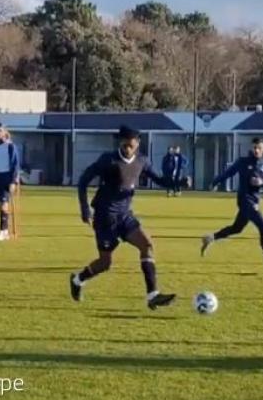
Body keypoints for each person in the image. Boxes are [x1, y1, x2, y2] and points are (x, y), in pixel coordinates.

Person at [70, 125, 189, 310]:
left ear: (137, 143)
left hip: (125, 216)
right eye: (123, 142)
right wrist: (85, 208)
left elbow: (159, 180)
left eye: (130, 142)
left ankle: (152, 295)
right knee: (105, 263)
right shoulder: (108, 160)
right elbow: (84, 180)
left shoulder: (142, 161)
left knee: (147, 245)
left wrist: (178, 183)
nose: (126, 146)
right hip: (105, 218)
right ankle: (78, 280)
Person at [200, 138, 263, 272]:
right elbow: (228, 173)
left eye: (259, 148)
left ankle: (210, 237)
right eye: (254, 147)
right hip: (244, 200)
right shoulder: (243, 162)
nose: (256, 150)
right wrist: (215, 182)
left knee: (236, 228)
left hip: (255, 200)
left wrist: (262, 182)